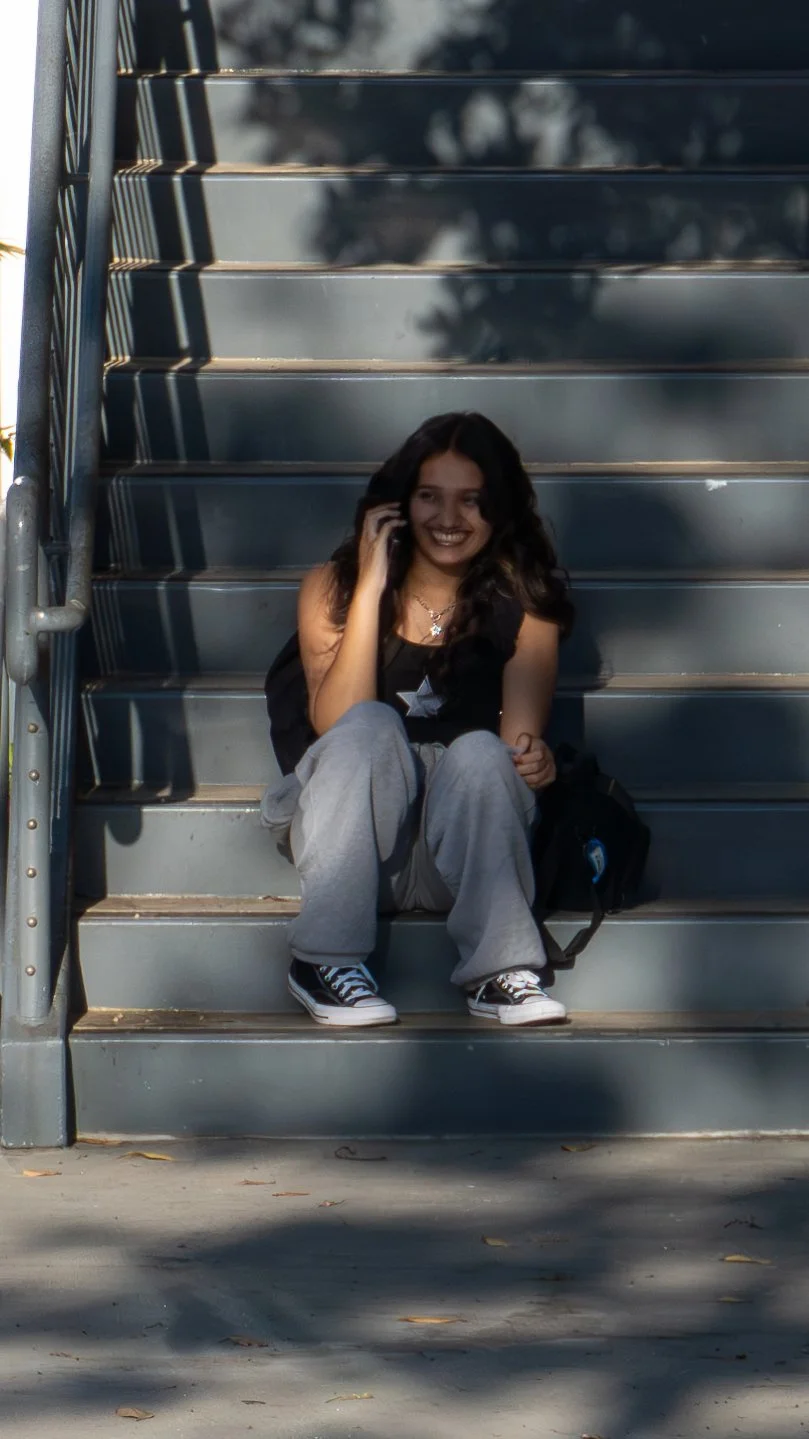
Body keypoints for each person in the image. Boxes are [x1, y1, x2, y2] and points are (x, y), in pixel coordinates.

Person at [261, 411, 575, 1027]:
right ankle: (322, 961)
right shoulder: (331, 588)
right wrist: (372, 586)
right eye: (429, 496)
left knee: (485, 753)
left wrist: (535, 762)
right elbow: (337, 723)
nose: (448, 519)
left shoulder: (525, 607)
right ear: (400, 503)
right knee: (371, 726)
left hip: (456, 858)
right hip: (349, 847)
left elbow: (516, 750)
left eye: (470, 501)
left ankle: (500, 974)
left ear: (498, 509)